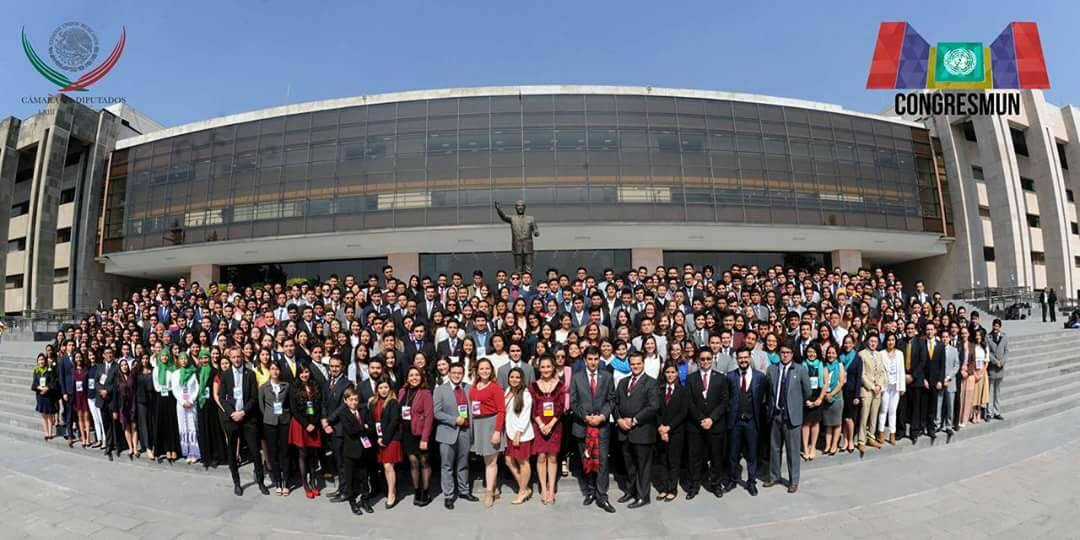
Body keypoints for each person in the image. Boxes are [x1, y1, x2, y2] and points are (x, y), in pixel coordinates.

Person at [569, 346, 617, 513]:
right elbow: (573, 402)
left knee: (602, 462)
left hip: (601, 426)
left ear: (599, 360)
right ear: (585, 360)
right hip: (583, 426)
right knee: (586, 460)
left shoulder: (607, 377)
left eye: (596, 359)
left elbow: (611, 399)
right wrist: (586, 417)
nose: (593, 362)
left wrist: (602, 416)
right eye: (590, 359)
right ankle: (590, 491)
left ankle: (602, 496)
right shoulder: (576, 378)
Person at [220, 347, 269, 496]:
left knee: (255, 451)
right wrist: (232, 413)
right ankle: (237, 483)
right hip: (232, 418)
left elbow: (254, 397)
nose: (236, 359)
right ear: (230, 359)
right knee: (232, 452)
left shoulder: (250, 374)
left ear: (242, 357)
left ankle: (260, 482)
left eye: (238, 357)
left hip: (248, 418)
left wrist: (243, 412)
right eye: (233, 357)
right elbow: (222, 397)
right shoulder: (226, 375)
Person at [613, 351, 659, 508]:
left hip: (642, 432)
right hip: (624, 432)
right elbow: (615, 404)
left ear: (643, 363)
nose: (636, 366)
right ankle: (631, 491)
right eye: (633, 364)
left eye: (638, 363)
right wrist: (619, 420)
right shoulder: (623, 382)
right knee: (630, 465)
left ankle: (643, 496)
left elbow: (653, 407)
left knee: (643, 466)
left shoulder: (651, 383)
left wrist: (634, 420)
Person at [763, 343, 811, 494]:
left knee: (793, 450)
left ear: (792, 354)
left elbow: (807, 391)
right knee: (775, 448)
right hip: (776, 414)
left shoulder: (800, 370)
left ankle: (793, 480)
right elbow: (768, 391)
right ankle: (774, 476)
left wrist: (795, 404)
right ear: (779, 353)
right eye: (782, 352)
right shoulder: (772, 369)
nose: (785, 355)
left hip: (792, 416)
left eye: (788, 352)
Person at [686, 348, 729, 499]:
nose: (705, 362)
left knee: (716, 457)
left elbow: (724, 402)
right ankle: (694, 485)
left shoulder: (721, 378)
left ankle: (716, 484)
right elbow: (689, 402)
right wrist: (700, 419)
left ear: (712, 360)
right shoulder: (691, 378)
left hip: (715, 425)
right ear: (698, 360)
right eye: (702, 359)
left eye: (708, 359)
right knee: (695, 458)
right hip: (696, 426)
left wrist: (711, 419)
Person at [433, 362, 477, 509]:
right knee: (447, 465)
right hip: (447, 432)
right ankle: (449, 495)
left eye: (460, 373)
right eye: (454, 372)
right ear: (449, 373)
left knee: (463, 463)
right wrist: (453, 420)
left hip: (465, 432)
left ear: (463, 374)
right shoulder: (440, 390)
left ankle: (464, 491)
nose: (457, 375)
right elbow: (437, 412)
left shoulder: (469, 388)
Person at [724, 347, 767, 496]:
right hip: (735, 422)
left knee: (752, 454)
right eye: (740, 358)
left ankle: (751, 482)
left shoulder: (760, 377)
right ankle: (732, 479)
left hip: (752, 422)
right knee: (733, 453)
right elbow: (726, 399)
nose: (743, 360)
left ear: (750, 358)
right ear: (736, 360)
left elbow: (763, 399)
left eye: (745, 357)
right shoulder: (730, 376)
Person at [529, 354, 566, 505]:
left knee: (552, 457)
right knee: (541, 457)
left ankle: (551, 488)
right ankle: (543, 488)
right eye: (542, 367)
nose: (545, 369)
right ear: (539, 368)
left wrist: (550, 424)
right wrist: (541, 424)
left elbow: (560, 407)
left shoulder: (560, 385)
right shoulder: (533, 386)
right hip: (539, 425)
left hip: (555, 425)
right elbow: (532, 409)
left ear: (553, 367)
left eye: (548, 366)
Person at [469, 357, 506, 507]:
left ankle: (489, 492)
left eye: (487, 368)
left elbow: (501, 411)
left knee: (492, 462)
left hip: (491, 424)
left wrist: (497, 431)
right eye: (481, 368)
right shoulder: (474, 386)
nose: (484, 371)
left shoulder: (495, 387)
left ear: (491, 371)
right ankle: (495, 488)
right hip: (478, 424)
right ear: (477, 370)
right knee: (486, 460)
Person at [334, 387, 375, 516]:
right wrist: (363, 427)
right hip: (350, 451)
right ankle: (352, 502)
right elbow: (350, 430)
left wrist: (363, 428)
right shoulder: (343, 413)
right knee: (350, 478)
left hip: (364, 450)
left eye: (356, 400)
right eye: (351, 400)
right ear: (346, 401)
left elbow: (372, 427)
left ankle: (365, 499)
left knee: (364, 477)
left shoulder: (364, 410)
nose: (354, 402)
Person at [397, 366, 434, 506]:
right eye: (411, 375)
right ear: (407, 377)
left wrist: (425, 438)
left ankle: (426, 491)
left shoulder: (425, 392)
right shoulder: (402, 391)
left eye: (417, 375)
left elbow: (429, 417)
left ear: (421, 377)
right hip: (407, 433)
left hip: (421, 433)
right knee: (413, 462)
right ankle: (417, 490)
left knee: (424, 462)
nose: (414, 378)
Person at [289, 364, 324, 499]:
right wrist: (306, 424)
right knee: (303, 454)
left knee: (313, 453)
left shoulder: (315, 385)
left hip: (313, 423)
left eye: (307, 372)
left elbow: (319, 405)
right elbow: (294, 410)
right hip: (301, 425)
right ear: (298, 374)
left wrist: (314, 423)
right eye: (302, 373)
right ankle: (305, 484)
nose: (305, 375)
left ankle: (313, 482)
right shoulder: (294, 388)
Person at [324, 356, 356, 502]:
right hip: (329, 427)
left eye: (337, 366)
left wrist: (328, 421)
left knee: (343, 463)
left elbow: (344, 406)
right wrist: (324, 421)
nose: (334, 369)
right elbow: (323, 403)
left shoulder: (347, 384)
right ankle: (341, 488)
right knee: (337, 462)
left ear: (342, 366)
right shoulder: (328, 382)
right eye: (331, 366)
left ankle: (347, 491)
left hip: (340, 428)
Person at [655, 362, 687, 501]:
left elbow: (683, 413)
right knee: (663, 461)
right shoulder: (660, 390)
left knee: (673, 461)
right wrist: (661, 428)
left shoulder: (682, 391)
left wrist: (669, 428)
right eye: (667, 372)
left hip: (676, 432)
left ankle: (672, 488)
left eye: (673, 372)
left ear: (677, 373)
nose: (670, 375)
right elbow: (656, 411)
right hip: (661, 431)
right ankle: (663, 488)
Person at [503, 366, 535, 505]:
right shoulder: (508, 391)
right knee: (508, 461)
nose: (514, 379)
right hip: (509, 432)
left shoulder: (526, 394)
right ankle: (525, 487)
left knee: (523, 462)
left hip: (520, 434)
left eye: (517, 377)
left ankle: (522, 491)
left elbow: (525, 416)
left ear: (522, 379)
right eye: (512, 377)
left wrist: (518, 433)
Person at [260, 361, 292, 495]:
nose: (274, 371)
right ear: (269, 371)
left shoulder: (286, 386)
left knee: (284, 452)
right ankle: (277, 481)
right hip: (270, 423)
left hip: (284, 421)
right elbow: (262, 406)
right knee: (273, 453)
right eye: (272, 369)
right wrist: (269, 416)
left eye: (277, 369)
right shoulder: (263, 387)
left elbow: (289, 404)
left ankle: (286, 482)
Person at [370, 378, 403, 508]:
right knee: (385, 466)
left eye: (385, 387)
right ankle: (391, 489)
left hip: (391, 439)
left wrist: (384, 439)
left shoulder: (393, 402)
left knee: (388, 466)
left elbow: (394, 422)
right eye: (380, 388)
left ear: (390, 389)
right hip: (379, 438)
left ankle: (391, 494)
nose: (383, 390)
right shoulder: (374, 402)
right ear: (377, 390)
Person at [171, 352, 202, 464]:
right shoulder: (175, 374)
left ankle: (195, 453)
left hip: (191, 403)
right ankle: (187, 451)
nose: (183, 361)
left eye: (185, 359)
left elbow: (196, 388)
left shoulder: (193, 373)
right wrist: (182, 401)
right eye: (181, 359)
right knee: (183, 426)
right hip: (181, 404)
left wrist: (191, 400)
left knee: (193, 425)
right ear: (178, 361)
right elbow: (175, 390)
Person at [857, 335, 885, 452]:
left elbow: (882, 372)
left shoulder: (879, 354)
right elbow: (862, 374)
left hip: (877, 390)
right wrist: (872, 386)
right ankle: (861, 440)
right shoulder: (861, 354)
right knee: (864, 416)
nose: (873, 343)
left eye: (875, 342)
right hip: (867, 390)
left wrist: (879, 385)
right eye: (871, 341)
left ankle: (871, 437)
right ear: (867, 342)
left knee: (874, 416)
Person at [152, 348, 181, 463]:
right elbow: (155, 385)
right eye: (162, 356)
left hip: (170, 397)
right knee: (162, 423)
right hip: (160, 397)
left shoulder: (172, 369)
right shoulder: (156, 369)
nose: (164, 358)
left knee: (172, 424)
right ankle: (165, 450)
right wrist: (161, 389)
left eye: (166, 356)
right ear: (159, 357)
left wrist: (169, 390)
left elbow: (174, 384)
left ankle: (173, 448)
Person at [878, 333, 906, 445]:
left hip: (896, 387)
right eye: (888, 340)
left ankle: (892, 434)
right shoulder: (881, 354)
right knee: (883, 410)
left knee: (893, 411)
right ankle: (880, 432)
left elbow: (902, 370)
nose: (890, 342)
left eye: (893, 340)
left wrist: (902, 387)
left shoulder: (900, 354)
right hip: (885, 386)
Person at [799, 344, 825, 461]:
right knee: (806, 424)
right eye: (809, 352)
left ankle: (813, 447)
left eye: (814, 352)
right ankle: (805, 448)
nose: (811, 354)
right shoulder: (802, 365)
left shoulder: (821, 365)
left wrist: (819, 399)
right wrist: (806, 400)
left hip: (817, 396)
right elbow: (799, 385)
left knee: (815, 423)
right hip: (806, 398)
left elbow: (825, 384)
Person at [838, 336, 862, 453]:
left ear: (853, 344)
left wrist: (857, 396)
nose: (847, 345)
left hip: (852, 392)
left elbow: (859, 378)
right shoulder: (840, 357)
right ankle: (845, 440)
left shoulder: (857, 358)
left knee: (849, 418)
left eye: (849, 343)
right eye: (845, 343)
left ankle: (851, 439)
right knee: (843, 417)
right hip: (840, 390)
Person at [113, 358, 138, 460]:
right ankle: (130, 447)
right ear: (120, 367)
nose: (124, 366)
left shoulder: (132, 376)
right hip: (123, 406)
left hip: (132, 404)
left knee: (134, 426)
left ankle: (136, 448)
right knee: (126, 427)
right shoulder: (117, 379)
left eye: (126, 365)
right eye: (122, 365)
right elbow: (115, 395)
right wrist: (115, 410)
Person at [31, 354, 59, 441]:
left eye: (42, 359)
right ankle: (46, 433)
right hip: (40, 396)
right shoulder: (36, 371)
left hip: (48, 395)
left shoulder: (49, 370)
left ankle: (50, 433)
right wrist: (39, 388)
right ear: (37, 361)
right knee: (43, 415)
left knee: (50, 415)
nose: (41, 361)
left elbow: (52, 382)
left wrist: (47, 388)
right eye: (39, 360)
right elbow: (34, 384)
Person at [986, 319, 1007, 421]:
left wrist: (1003, 361)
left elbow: (1006, 351)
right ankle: (989, 412)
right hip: (992, 367)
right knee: (990, 391)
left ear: (1000, 327)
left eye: (997, 326)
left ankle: (997, 411)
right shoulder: (988, 337)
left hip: (1001, 368)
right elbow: (987, 352)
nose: (995, 328)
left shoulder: (1004, 336)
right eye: (994, 326)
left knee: (997, 391)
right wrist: (995, 361)